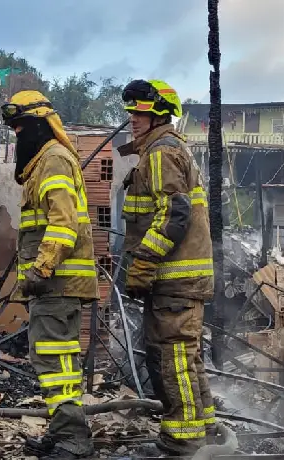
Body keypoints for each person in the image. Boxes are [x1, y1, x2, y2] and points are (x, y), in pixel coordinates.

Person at [116, 79, 217, 456]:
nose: (132, 120)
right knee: (184, 356)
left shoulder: (161, 153)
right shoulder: (167, 150)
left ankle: (183, 443)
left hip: (174, 278)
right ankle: (206, 435)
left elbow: (174, 212)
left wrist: (143, 262)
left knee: (172, 358)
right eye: (131, 113)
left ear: (158, 113)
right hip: (180, 280)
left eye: (140, 113)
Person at [2, 90, 97, 459]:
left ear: (41, 124)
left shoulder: (54, 161)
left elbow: (63, 223)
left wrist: (41, 268)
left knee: (54, 363)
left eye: (22, 126)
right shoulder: (44, 163)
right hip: (55, 286)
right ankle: (63, 434)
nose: (17, 135)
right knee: (60, 362)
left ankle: (73, 441)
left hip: (57, 283)